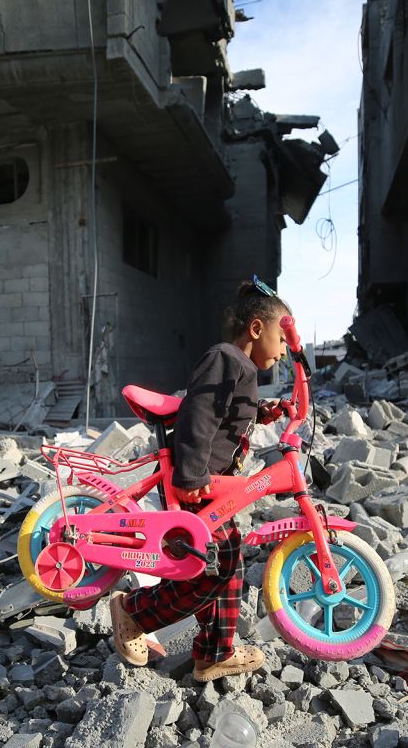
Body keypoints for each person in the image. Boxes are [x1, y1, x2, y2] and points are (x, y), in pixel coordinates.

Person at [110, 278, 292, 682]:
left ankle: (214, 653)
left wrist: (262, 412)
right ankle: (134, 611)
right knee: (214, 564)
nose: (283, 351)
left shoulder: (240, 369)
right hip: (197, 481)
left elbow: (229, 412)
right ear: (257, 329)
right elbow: (200, 413)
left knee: (227, 563)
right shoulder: (225, 358)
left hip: (214, 486)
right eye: (282, 339)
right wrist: (191, 475)